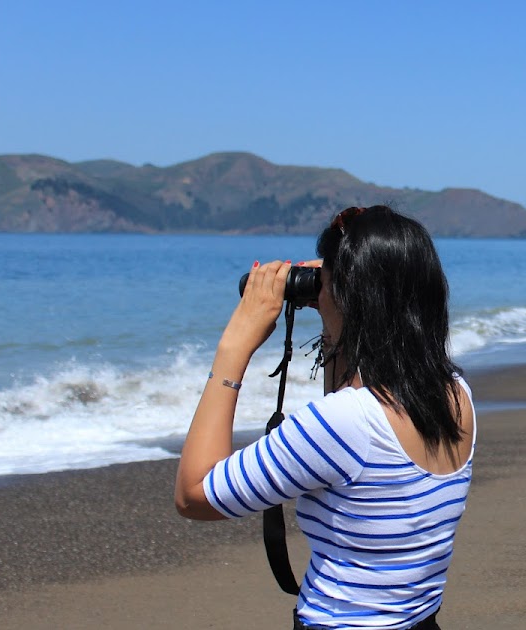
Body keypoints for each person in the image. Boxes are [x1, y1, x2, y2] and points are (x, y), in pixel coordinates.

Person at [175, 206, 475, 630]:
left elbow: (194, 496)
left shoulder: (345, 423)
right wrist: (336, 314)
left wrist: (234, 346)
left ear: (349, 296)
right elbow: (350, 414)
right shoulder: (455, 393)